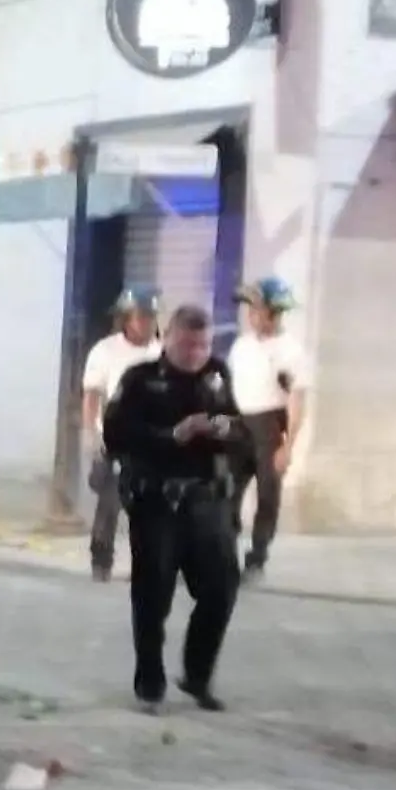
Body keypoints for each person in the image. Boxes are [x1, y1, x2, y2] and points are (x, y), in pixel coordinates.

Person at [102, 304, 252, 714]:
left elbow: (240, 430)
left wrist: (225, 429)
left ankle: (198, 675)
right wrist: (173, 435)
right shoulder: (141, 380)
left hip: (207, 504)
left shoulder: (218, 376)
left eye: (203, 344)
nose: (196, 352)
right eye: (187, 344)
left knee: (221, 589)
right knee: (153, 597)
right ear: (167, 340)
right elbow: (117, 434)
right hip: (158, 503)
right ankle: (150, 682)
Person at [227, 276, 309, 582]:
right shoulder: (241, 346)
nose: (252, 315)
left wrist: (288, 446)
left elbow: (296, 401)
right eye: (250, 309)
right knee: (226, 493)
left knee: (267, 495)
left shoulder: (290, 351)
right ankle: (223, 555)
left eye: (258, 309)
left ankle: (257, 558)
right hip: (238, 424)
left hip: (270, 426)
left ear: (275, 312)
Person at [81, 287, 162, 581]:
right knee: (110, 503)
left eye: (151, 317)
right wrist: (92, 434)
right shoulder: (105, 351)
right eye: (141, 316)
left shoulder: (161, 353)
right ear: (126, 318)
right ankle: (101, 560)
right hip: (116, 438)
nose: (147, 323)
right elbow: (92, 395)